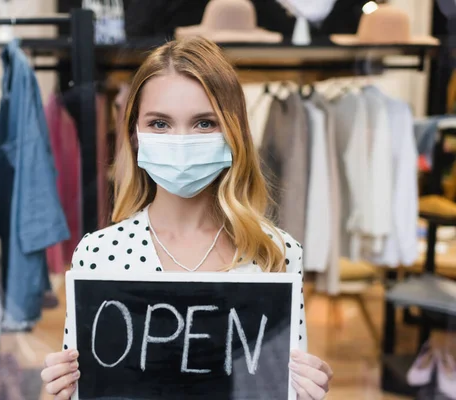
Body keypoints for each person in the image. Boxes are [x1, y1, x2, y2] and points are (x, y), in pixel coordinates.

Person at [41, 37, 333, 399]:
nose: (181, 140)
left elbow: (269, 387)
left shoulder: (275, 252)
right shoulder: (99, 255)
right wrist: (57, 394)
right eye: (160, 124)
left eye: (204, 123)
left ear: (233, 131)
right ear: (134, 134)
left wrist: (307, 392)